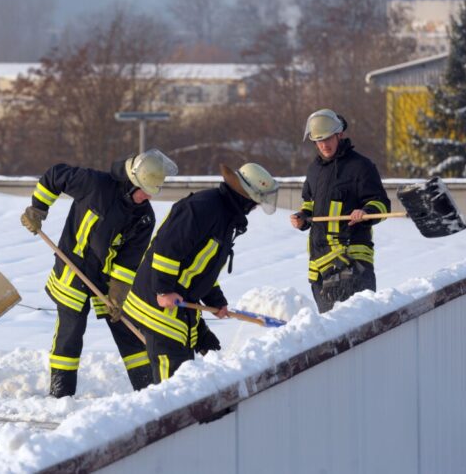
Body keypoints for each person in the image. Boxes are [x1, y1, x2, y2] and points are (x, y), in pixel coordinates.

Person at [20, 149, 178, 398]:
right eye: (144, 190)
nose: (147, 197)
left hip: (107, 279)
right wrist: (38, 209)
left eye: (152, 192)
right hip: (73, 269)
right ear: (131, 182)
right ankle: (61, 394)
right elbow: (54, 176)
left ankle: (147, 391)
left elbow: (129, 259)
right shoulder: (94, 184)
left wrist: (119, 293)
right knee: (70, 330)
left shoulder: (144, 217)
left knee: (127, 328)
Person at [122, 162, 279, 383]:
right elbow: (167, 249)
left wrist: (216, 301)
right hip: (157, 309)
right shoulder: (203, 208)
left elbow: (200, 269)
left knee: (195, 367)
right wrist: (164, 290)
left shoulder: (225, 218)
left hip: (181, 309)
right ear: (246, 196)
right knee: (174, 390)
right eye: (255, 202)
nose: (254, 208)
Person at [290, 109, 391, 313]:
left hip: (352, 264)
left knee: (356, 327)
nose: (324, 146)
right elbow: (309, 203)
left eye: (327, 139)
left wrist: (366, 212)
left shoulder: (361, 166)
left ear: (339, 135)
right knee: (331, 331)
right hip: (320, 266)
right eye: (318, 141)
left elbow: (381, 204)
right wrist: (302, 217)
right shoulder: (314, 170)